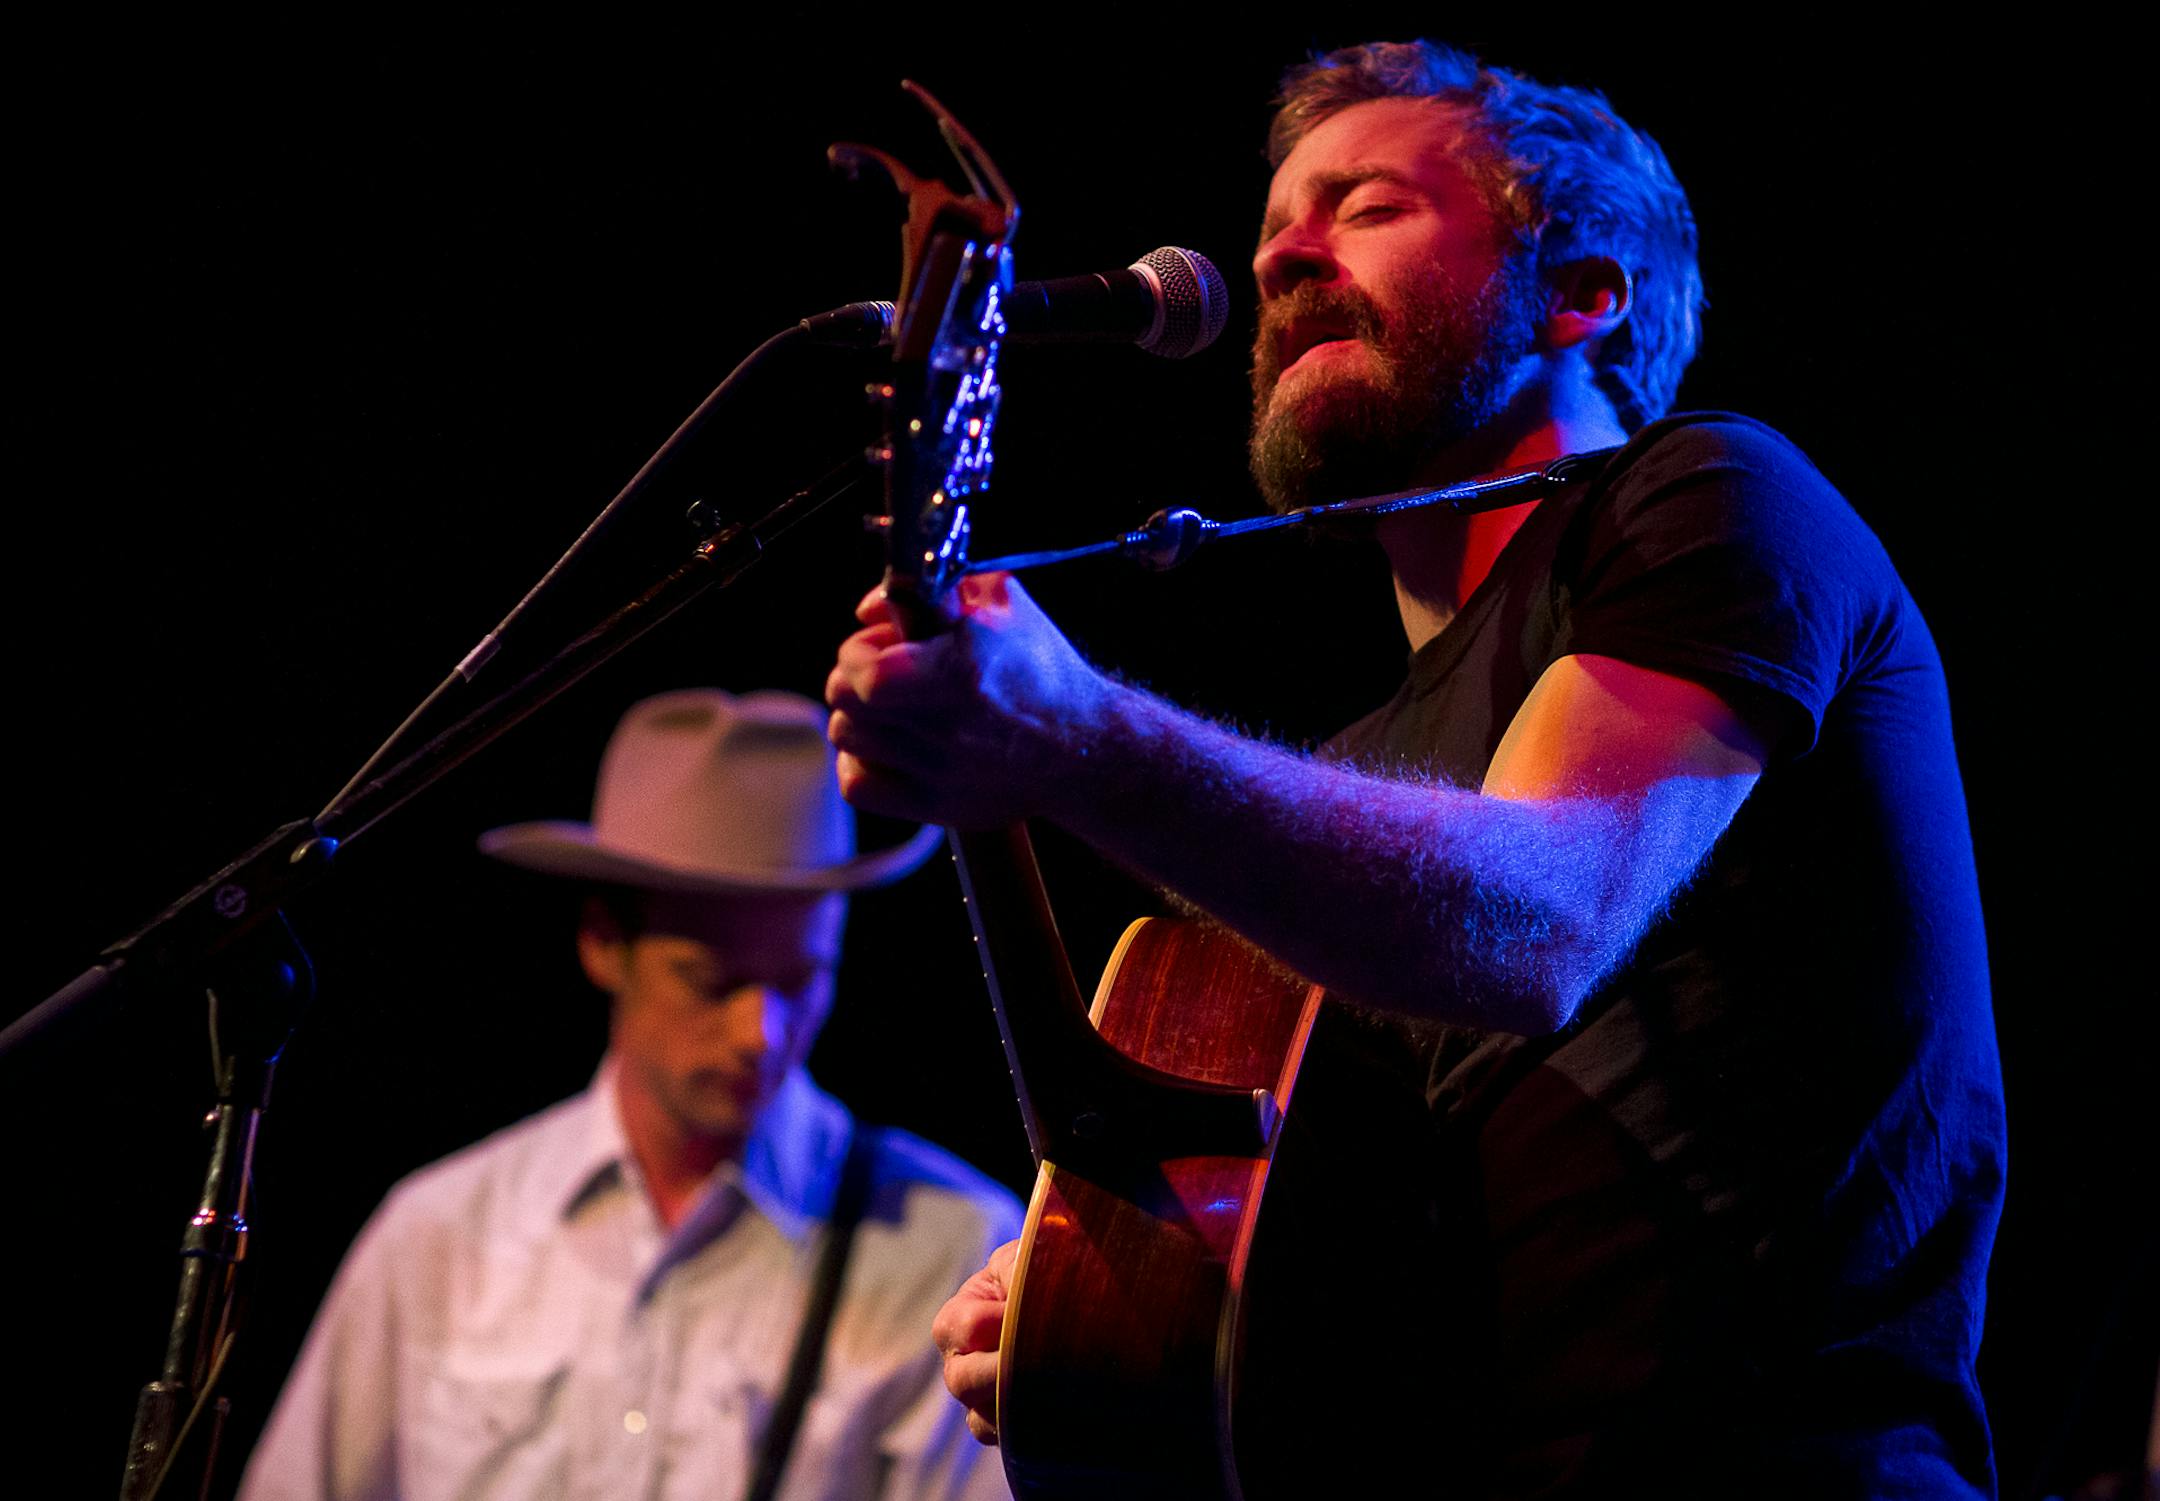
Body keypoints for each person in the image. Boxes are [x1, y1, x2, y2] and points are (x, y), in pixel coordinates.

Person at [825, 39, 2006, 1500]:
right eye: (1271, 234)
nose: (1279, 262)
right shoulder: (1350, 787)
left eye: (1366, 207)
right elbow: (1349, 1254)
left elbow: (1541, 919)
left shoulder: (1712, 497)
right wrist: (1112, 1302)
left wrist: (1075, 734)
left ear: (1577, 295)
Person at [238, 688, 1021, 1501]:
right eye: (715, 980)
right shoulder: (438, 1236)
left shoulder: (956, 1252)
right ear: (604, 942)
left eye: (801, 978)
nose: (761, 1032)